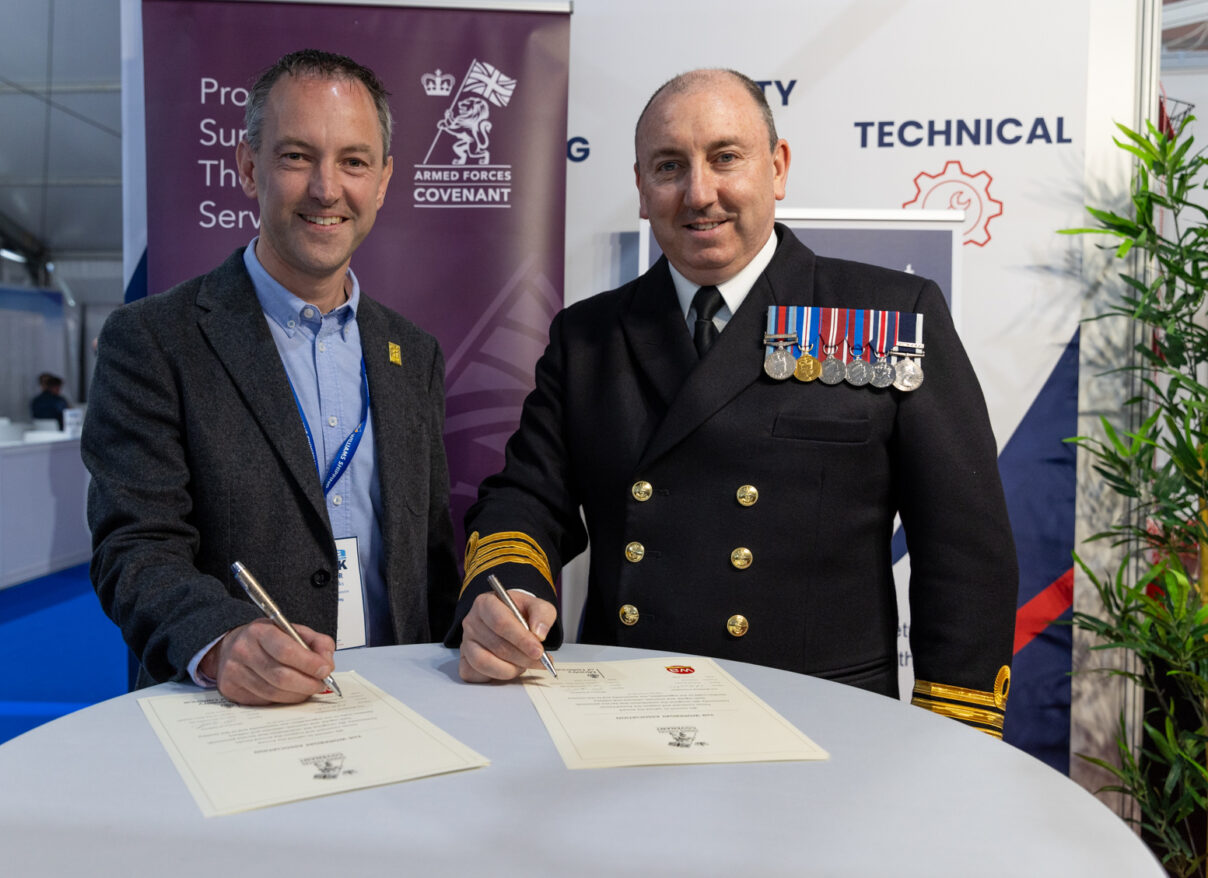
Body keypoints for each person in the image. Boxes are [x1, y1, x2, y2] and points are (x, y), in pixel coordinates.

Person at [450, 69, 1019, 738]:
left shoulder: (892, 316)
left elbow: (964, 548)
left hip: (823, 725)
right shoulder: (589, 337)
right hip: (627, 714)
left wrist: (953, 734)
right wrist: (510, 588)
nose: (699, 193)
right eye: (669, 166)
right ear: (641, 189)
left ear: (777, 168)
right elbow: (528, 496)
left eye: (725, 157)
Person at [84, 49, 458, 706]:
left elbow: (429, 554)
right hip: (235, 713)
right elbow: (135, 546)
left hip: (395, 706)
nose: (326, 188)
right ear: (249, 165)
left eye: (353, 161)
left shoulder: (413, 354)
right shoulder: (153, 340)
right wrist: (221, 640)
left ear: (383, 181)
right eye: (296, 157)